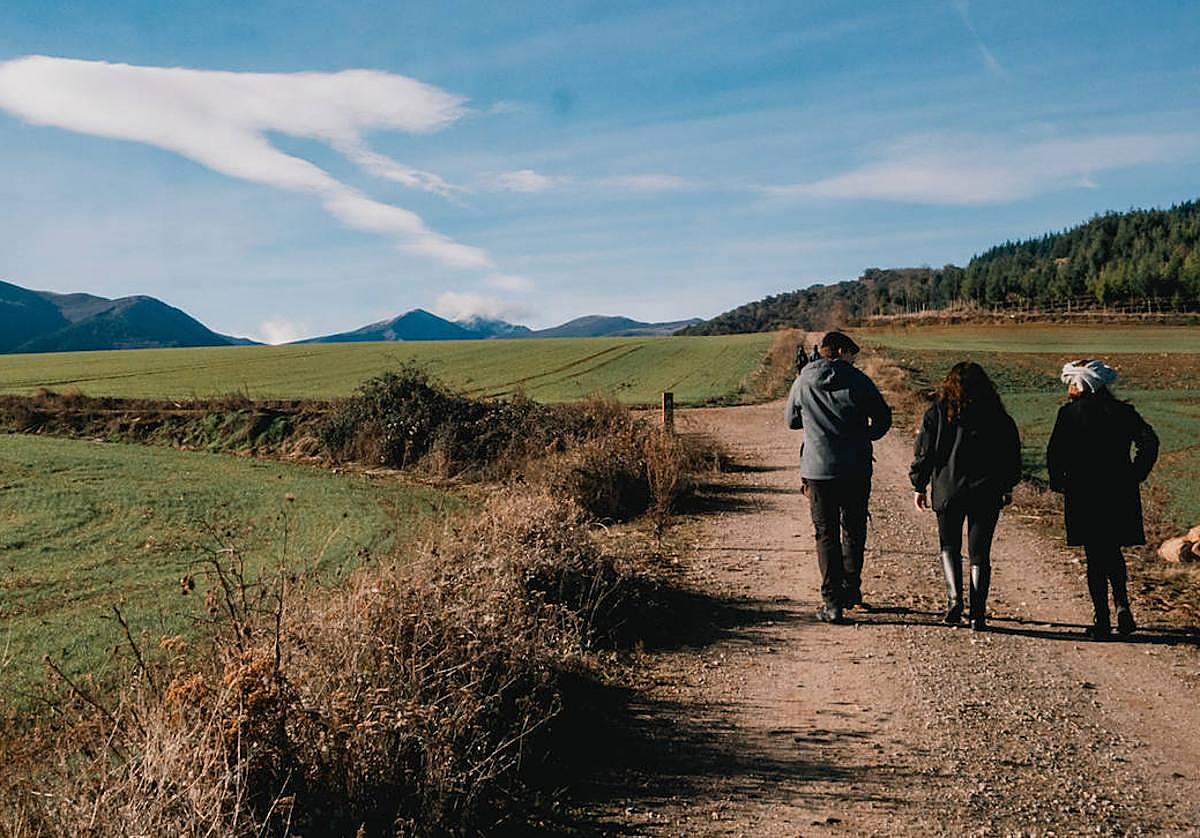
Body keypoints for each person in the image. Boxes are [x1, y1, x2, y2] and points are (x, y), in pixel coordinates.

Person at [785, 330, 892, 623]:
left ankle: (831, 603)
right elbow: (884, 418)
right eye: (853, 355)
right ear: (842, 351)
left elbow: (791, 421)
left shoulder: (803, 379)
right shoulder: (859, 381)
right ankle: (851, 590)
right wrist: (863, 436)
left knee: (826, 533)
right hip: (856, 467)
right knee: (854, 529)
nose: (855, 360)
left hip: (818, 470)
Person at [1047, 359, 1158, 640]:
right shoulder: (1124, 412)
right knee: (1112, 550)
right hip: (1119, 490)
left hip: (1083, 492)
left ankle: (1103, 619)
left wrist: (1058, 482)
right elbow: (1150, 442)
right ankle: (1122, 605)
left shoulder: (1069, 414)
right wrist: (1136, 473)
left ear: (1083, 384)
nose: (1070, 387)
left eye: (1073, 382)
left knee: (1096, 556)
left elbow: (1054, 453)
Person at [909, 362, 1022, 631]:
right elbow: (1011, 457)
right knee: (980, 553)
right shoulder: (998, 416)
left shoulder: (937, 413)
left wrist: (919, 485)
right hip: (987, 491)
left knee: (949, 546)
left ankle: (954, 600)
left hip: (948, 490)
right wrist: (1007, 486)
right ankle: (978, 614)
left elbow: (924, 453)